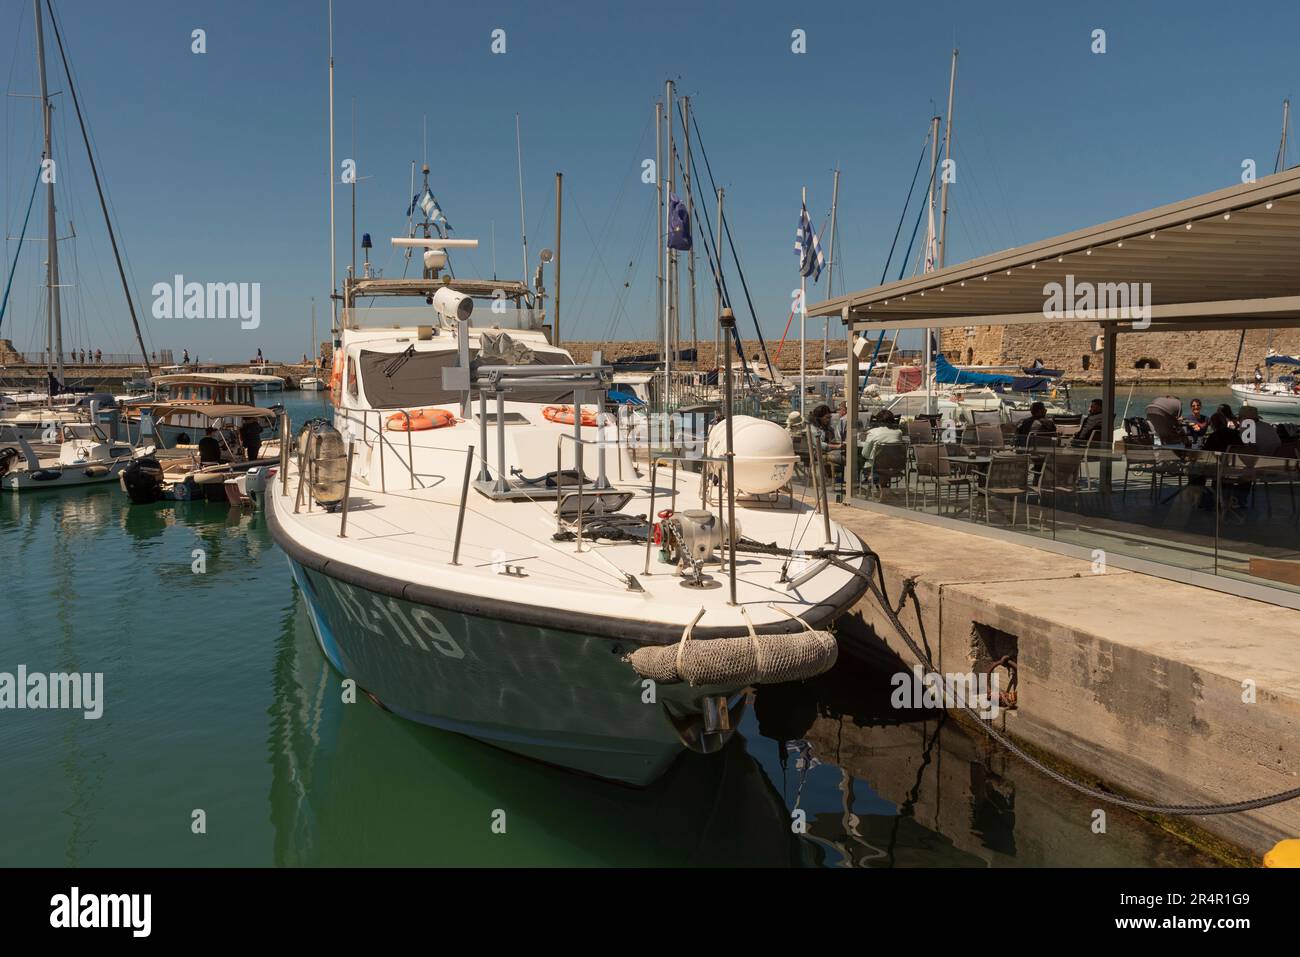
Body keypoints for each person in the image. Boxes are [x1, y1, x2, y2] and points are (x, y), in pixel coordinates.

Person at [859, 410, 904, 486]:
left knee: (858, 458)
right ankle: (882, 486)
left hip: (877, 467)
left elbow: (865, 454)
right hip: (895, 466)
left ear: (877, 420)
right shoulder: (898, 432)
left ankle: (868, 479)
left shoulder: (872, 432)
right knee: (886, 460)